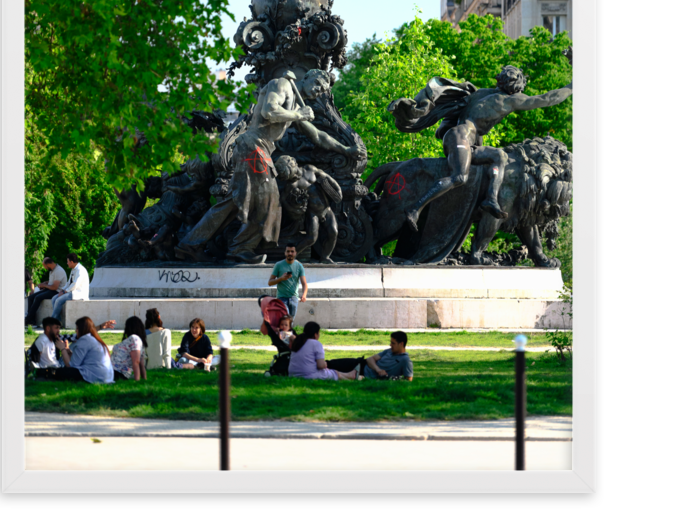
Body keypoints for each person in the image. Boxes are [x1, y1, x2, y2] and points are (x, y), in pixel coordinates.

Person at [175, 71, 360, 264]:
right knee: (269, 201)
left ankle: (191, 245)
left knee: (235, 201)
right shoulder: (282, 84)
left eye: (322, 90)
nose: (317, 91)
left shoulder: (296, 105)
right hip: (253, 147)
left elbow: (318, 136)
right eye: (317, 84)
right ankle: (239, 248)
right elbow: (269, 111)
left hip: (259, 150)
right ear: (305, 78)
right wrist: (298, 115)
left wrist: (347, 150)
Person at [388, 60, 572, 228]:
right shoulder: (510, 100)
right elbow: (548, 99)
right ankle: (415, 208)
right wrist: (573, 85)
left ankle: (491, 198)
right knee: (459, 177)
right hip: (459, 138)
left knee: (499, 156)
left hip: (465, 141)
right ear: (517, 86)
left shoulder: (482, 93)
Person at [326, 332, 414, 381]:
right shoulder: (389, 351)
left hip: (362, 374)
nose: (390, 345)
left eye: (393, 343)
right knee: (330, 364)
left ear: (401, 344)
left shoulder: (405, 360)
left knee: (330, 372)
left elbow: (408, 379)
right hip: (360, 364)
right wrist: (378, 369)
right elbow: (370, 359)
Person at [288, 322, 357, 380]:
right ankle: (351, 376)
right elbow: (320, 366)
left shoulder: (298, 342)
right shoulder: (316, 343)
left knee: (333, 372)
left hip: (292, 374)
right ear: (316, 334)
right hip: (309, 375)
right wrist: (325, 364)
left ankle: (350, 376)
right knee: (333, 373)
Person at [58, 317, 114, 383]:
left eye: (77, 328)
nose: (76, 331)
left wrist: (63, 349)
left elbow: (71, 366)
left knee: (59, 371)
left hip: (96, 377)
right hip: (107, 377)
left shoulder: (84, 340)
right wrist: (68, 351)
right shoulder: (92, 338)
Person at [268, 243, 307, 322]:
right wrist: (281, 278)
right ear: (285, 253)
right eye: (288, 251)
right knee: (285, 319)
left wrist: (304, 295)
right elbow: (270, 282)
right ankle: (283, 334)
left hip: (294, 298)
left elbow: (304, 283)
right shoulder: (278, 265)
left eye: (292, 251)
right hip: (281, 298)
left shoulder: (299, 266)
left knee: (290, 322)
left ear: (295, 253)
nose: (290, 253)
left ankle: (284, 334)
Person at [26, 256, 67, 326]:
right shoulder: (52, 270)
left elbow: (54, 287)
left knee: (37, 297)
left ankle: (28, 320)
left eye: (44, 266)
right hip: (51, 289)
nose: (45, 268)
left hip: (57, 291)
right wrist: (45, 283)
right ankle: (31, 321)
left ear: (48, 264)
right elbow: (52, 282)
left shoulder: (58, 271)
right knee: (30, 297)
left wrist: (44, 286)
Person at [50, 253, 89, 325]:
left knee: (58, 300)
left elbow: (75, 284)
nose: (67, 263)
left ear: (71, 262)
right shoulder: (73, 269)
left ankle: (52, 321)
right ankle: (58, 321)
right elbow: (68, 283)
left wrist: (65, 292)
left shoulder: (80, 270)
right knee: (54, 298)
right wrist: (62, 290)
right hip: (72, 291)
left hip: (79, 293)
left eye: (68, 261)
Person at [111, 316, 148, 381]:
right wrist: (142, 380)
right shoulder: (135, 340)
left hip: (115, 372)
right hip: (117, 373)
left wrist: (139, 380)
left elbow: (137, 362)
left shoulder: (134, 339)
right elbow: (140, 364)